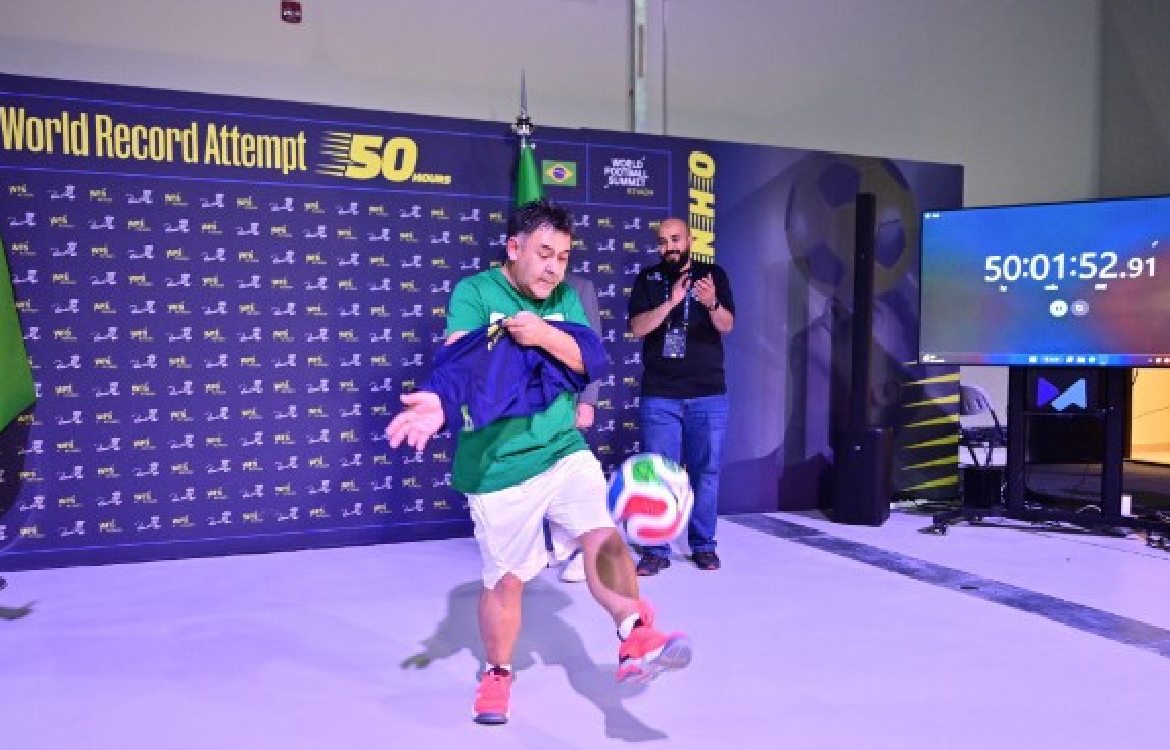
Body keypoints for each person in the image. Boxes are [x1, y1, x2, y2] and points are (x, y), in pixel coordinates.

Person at [386, 199, 691, 726]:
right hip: (497, 467)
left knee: (602, 535)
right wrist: (438, 401)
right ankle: (497, 672)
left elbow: (587, 360)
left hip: (561, 448)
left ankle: (635, 633)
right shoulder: (475, 292)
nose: (554, 268)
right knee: (505, 581)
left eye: (563, 257)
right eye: (544, 253)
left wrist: (541, 332)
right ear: (514, 247)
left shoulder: (566, 297)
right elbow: (461, 362)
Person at [627, 217, 735, 575]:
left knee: (706, 472)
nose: (669, 247)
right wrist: (671, 302)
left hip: (708, 394)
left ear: (689, 240)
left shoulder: (713, 275)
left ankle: (703, 545)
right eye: (662, 241)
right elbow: (637, 328)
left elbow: (727, 325)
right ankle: (656, 549)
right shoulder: (648, 279)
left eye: (675, 239)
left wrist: (712, 303)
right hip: (661, 394)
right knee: (658, 475)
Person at [547, 272, 602, 583]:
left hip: (566, 401)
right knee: (540, 476)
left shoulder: (579, 288)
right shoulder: (508, 291)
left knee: (573, 478)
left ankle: (587, 552)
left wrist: (588, 400)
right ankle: (561, 548)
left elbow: (592, 348)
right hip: (525, 405)